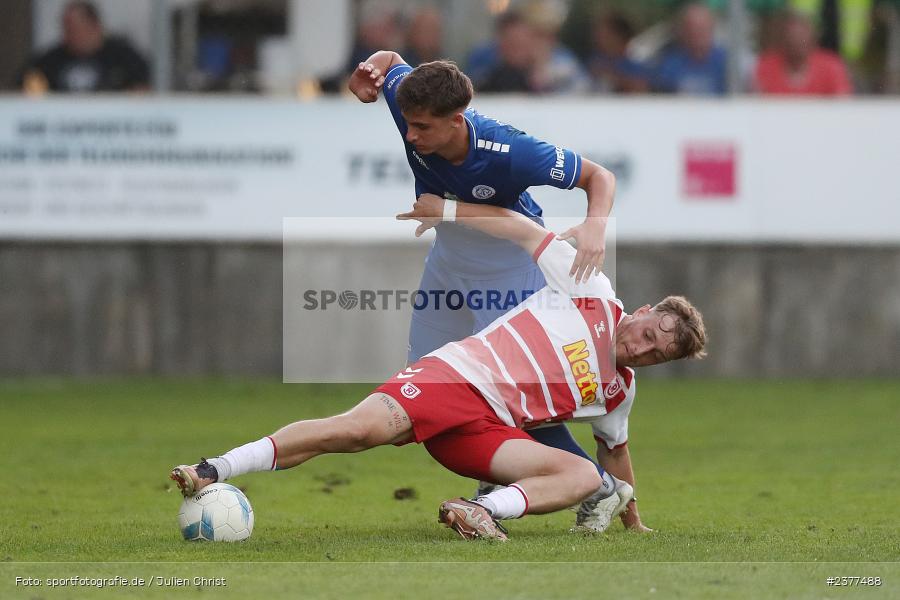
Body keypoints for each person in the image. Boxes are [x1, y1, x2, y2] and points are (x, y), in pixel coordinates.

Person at [171, 195, 708, 541]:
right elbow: (521, 228)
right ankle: (214, 469)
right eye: (648, 333)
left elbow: (615, 452)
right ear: (642, 312)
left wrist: (633, 518)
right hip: (455, 378)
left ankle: (482, 512)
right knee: (355, 431)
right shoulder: (591, 289)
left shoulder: (619, 393)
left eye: (657, 354)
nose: (643, 348)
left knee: (583, 475)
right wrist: (449, 212)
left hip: (486, 433)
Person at [347, 50, 626, 528]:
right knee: (423, 387)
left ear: (457, 121)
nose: (409, 136)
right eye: (407, 125)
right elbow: (392, 59)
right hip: (448, 263)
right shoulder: (406, 98)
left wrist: (596, 223)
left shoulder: (510, 151)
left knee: (513, 391)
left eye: (422, 128)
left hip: (509, 268)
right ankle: (498, 474)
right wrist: (370, 69)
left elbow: (599, 176)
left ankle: (601, 487)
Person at [18, 1, 150, 94]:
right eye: (66, 29)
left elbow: (144, 86)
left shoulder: (123, 56)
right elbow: (25, 87)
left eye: (76, 29)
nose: (70, 35)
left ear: (95, 26)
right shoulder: (50, 60)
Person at [754, 10, 853, 96]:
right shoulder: (766, 66)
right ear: (782, 38)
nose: (795, 41)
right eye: (791, 35)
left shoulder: (831, 67)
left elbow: (842, 106)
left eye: (801, 36)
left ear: (814, 37)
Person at [652, 2, 727, 96]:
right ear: (683, 31)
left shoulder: (726, 62)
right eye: (692, 29)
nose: (697, 34)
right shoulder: (669, 65)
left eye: (702, 29)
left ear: (711, 29)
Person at [587, 12, 650, 94]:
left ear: (619, 35)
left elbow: (642, 88)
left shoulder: (636, 63)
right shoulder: (595, 61)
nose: (598, 37)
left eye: (605, 34)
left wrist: (614, 78)